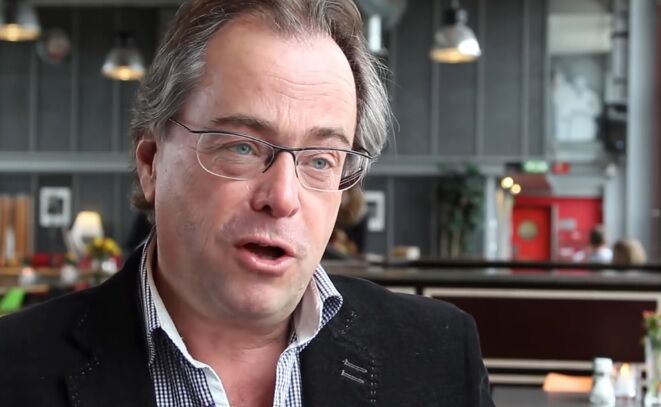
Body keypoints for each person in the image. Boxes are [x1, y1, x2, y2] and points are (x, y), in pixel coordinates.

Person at [0, 1, 494, 405]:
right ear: (151, 163)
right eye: (241, 147)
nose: (282, 198)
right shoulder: (13, 369)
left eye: (320, 160)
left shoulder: (440, 354)